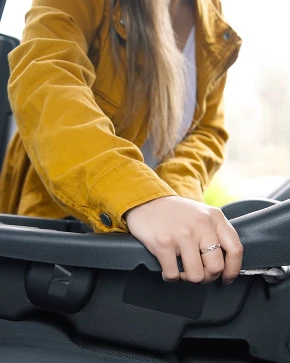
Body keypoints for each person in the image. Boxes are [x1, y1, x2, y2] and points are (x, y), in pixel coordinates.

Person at [0, 0, 243, 284]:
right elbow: (46, 80)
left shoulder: (210, 16)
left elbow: (207, 131)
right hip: (58, 231)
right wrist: (138, 196)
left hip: (151, 245)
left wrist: (172, 197)